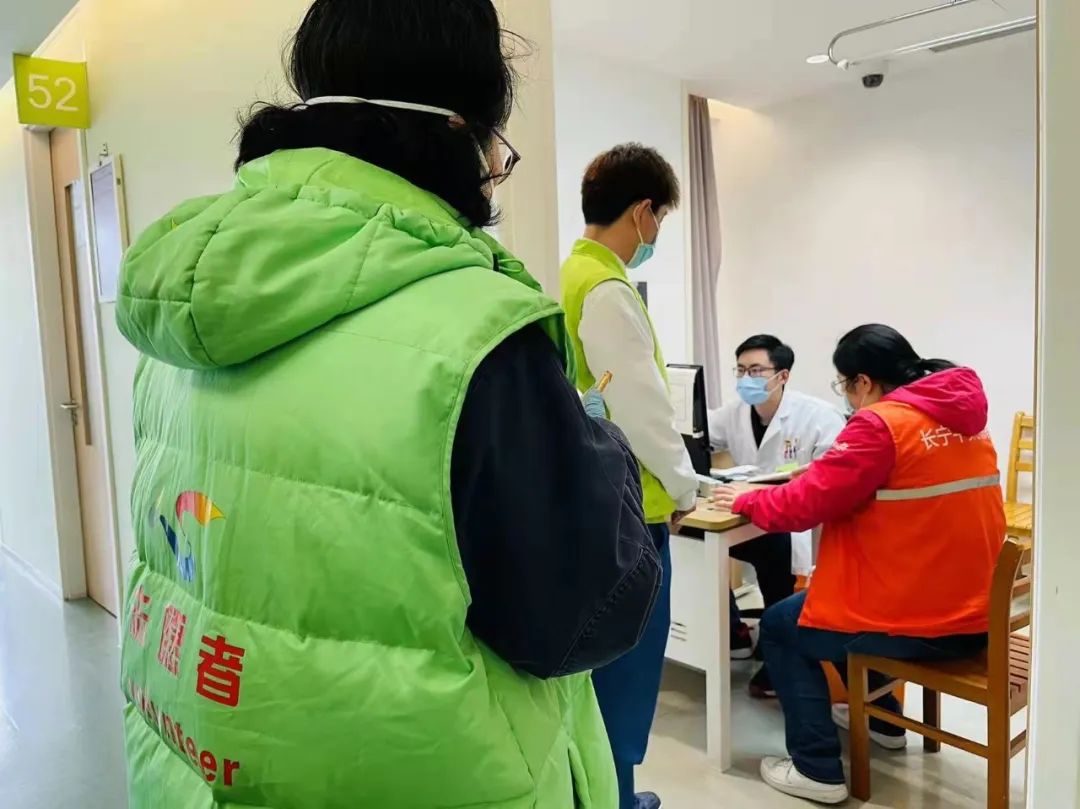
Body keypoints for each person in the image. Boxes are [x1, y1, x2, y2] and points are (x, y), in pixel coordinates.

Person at [114, 2, 662, 807]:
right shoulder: (477, 330)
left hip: (195, 769)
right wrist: (597, 447)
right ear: (459, 128)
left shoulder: (180, 317)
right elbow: (583, 617)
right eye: (497, 151)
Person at [711, 324, 1006, 804]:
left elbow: (803, 507)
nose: (847, 397)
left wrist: (746, 500)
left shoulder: (881, 424)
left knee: (784, 625)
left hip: (923, 620)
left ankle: (816, 769)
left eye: (845, 385)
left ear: (863, 382)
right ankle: (885, 721)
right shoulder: (962, 419)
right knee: (823, 606)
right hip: (975, 608)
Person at [560, 144, 699, 809]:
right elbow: (644, 409)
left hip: (593, 502)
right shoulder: (609, 290)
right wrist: (687, 486)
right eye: (661, 220)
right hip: (633, 511)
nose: (656, 235)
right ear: (643, 211)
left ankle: (608, 793)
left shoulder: (571, 275)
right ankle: (615, 798)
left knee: (599, 675)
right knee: (625, 675)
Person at [708, 335, 845, 697]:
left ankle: (777, 652)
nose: (746, 379)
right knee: (698, 545)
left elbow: (830, 479)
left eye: (756, 370)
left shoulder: (819, 416)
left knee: (776, 550)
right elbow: (700, 432)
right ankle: (735, 632)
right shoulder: (734, 412)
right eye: (740, 370)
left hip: (797, 523)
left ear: (782, 375)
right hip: (749, 515)